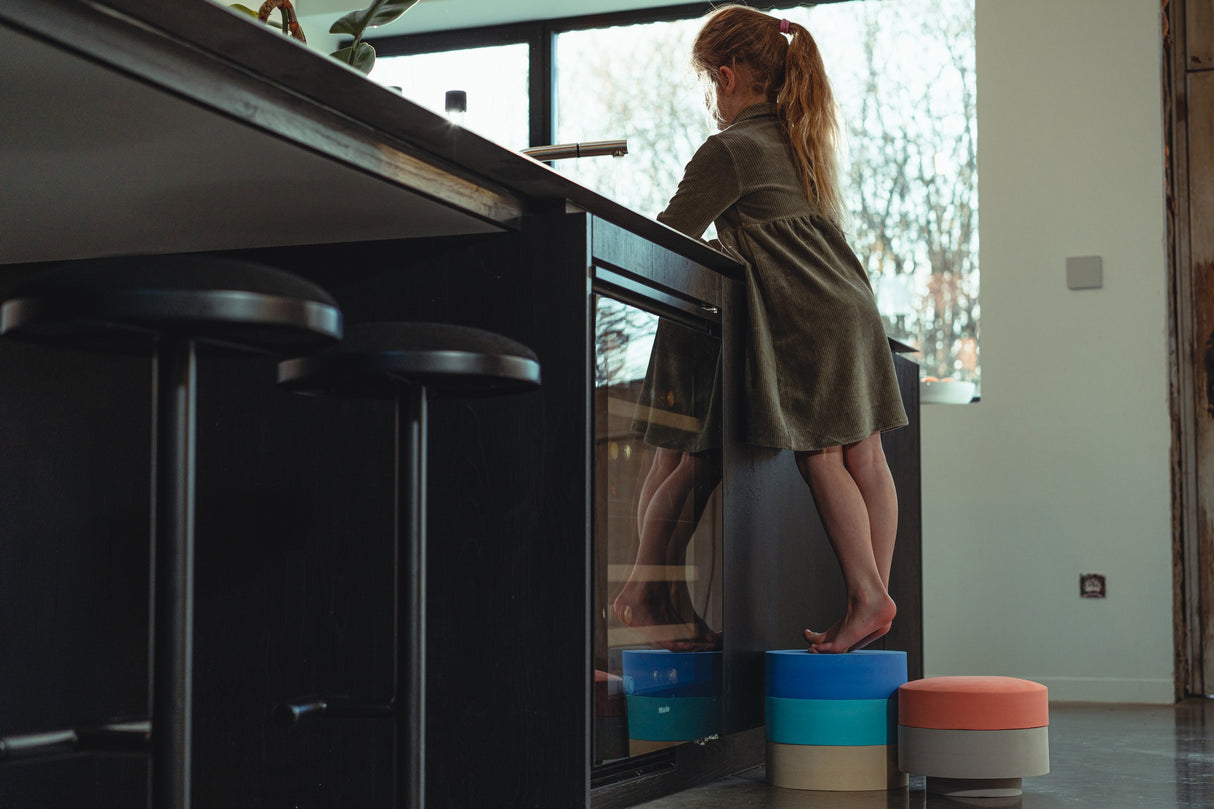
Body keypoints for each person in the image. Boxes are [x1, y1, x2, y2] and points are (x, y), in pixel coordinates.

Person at [655, 5, 908, 654]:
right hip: (852, 302)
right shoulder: (802, 140)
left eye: (712, 84)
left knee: (820, 453)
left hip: (807, 313)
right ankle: (871, 604)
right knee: (867, 456)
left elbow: (665, 235)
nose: (714, 99)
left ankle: (867, 596)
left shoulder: (730, 149)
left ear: (729, 74)